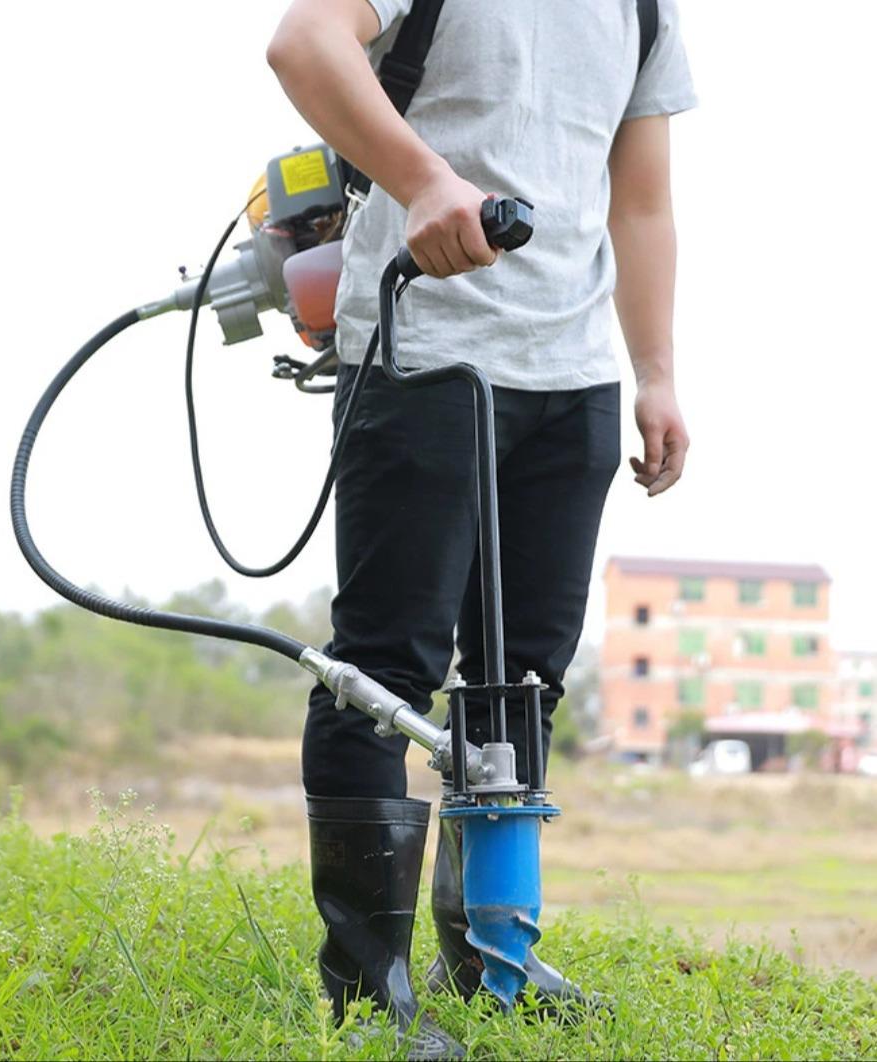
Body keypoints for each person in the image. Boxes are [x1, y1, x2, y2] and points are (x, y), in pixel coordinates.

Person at [268, 1, 696, 1056]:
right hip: (426, 349)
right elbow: (303, 42)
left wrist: (654, 374)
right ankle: (370, 1000)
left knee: (521, 681)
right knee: (382, 674)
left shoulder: (644, 8)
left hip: (575, 379)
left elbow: (639, 202)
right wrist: (423, 180)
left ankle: (494, 956)